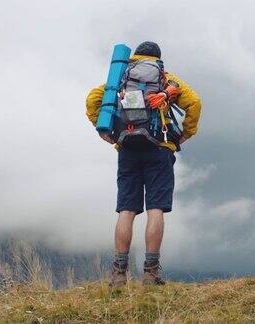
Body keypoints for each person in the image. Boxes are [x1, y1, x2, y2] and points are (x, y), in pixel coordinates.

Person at [86, 41, 202, 287]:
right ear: (158, 58)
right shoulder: (166, 79)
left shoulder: (121, 77)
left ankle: (119, 273)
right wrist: (183, 135)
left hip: (127, 148)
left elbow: (93, 99)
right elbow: (195, 103)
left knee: (126, 210)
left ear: (136, 56)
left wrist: (105, 131)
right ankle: (150, 273)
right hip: (159, 148)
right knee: (155, 209)